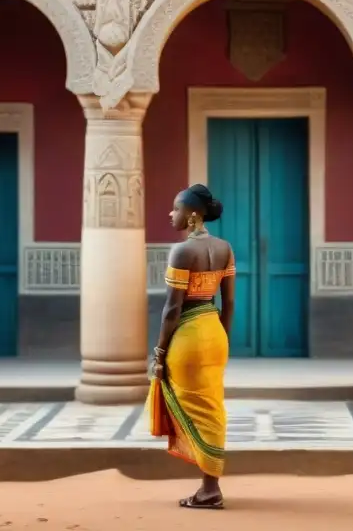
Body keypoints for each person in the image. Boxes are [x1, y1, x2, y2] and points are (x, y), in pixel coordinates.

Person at [147, 183, 235, 510]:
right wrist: (223, 340)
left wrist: (159, 352)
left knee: (194, 409)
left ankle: (210, 490)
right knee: (212, 409)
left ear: (193, 214)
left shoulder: (182, 251)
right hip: (214, 332)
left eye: (176, 208)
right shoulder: (225, 248)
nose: (171, 214)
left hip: (188, 335)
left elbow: (171, 309)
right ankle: (210, 486)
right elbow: (229, 303)